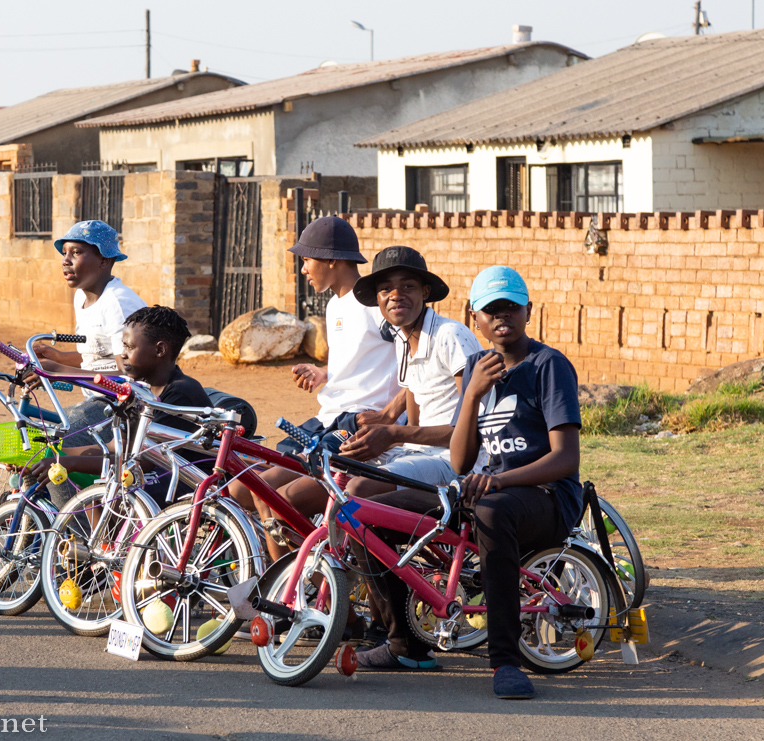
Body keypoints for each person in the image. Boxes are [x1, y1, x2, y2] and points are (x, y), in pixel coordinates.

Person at [354, 266, 583, 703]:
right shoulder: (477, 366)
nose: (502, 318)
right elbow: (460, 461)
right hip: (481, 489)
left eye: (511, 308)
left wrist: (497, 481)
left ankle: (505, 660)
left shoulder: (549, 366)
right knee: (370, 513)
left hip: (546, 498)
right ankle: (405, 642)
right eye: (491, 310)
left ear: (528, 311)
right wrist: (473, 394)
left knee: (491, 512)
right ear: (473, 316)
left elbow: (565, 459)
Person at [228, 216, 403, 560]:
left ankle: (305, 584)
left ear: (332, 260)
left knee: (271, 498)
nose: (304, 269)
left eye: (307, 260)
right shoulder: (335, 303)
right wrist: (325, 373)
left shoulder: (374, 304)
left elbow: (414, 359)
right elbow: (362, 359)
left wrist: (389, 415)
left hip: (353, 425)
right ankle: (299, 573)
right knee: (242, 489)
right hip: (327, 418)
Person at [31, 306, 213, 508]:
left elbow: (143, 461)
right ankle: (99, 540)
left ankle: (118, 540)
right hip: (158, 472)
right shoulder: (138, 391)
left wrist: (70, 462)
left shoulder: (180, 393)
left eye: (129, 347)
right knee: (94, 489)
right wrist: (58, 453)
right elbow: (117, 448)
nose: (123, 354)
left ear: (160, 350)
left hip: (190, 481)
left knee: (114, 497)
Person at [340, 246, 482, 499]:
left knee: (358, 489)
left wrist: (392, 433)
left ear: (425, 292)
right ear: (377, 299)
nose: (396, 295)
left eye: (408, 287)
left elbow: (473, 431)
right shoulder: (401, 340)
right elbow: (415, 429)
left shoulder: (450, 335)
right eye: (386, 289)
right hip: (420, 454)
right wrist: (370, 442)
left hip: (458, 463)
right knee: (326, 473)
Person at [32, 220, 147, 445]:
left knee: (57, 445)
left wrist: (59, 371)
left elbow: (129, 373)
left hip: (128, 408)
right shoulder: (82, 297)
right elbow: (97, 358)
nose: (65, 260)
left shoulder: (117, 303)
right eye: (64, 253)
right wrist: (57, 356)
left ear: (104, 260)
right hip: (102, 402)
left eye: (76, 252)